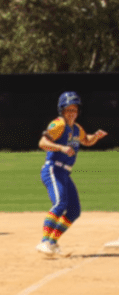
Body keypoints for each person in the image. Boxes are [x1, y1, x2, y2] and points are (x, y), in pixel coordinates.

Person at [35, 91, 108, 256]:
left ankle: (53, 243)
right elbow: (42, 142)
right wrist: (61, 147)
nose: (72, 113)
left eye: (74, 109)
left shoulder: (76, 128)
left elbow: (86, 140)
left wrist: (95, 136)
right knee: (60, 204)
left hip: (65, 173)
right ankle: (44, 241)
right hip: (53, 169)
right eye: (68, 109)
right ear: (62, 110)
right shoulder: (58, 124)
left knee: (74, 210)